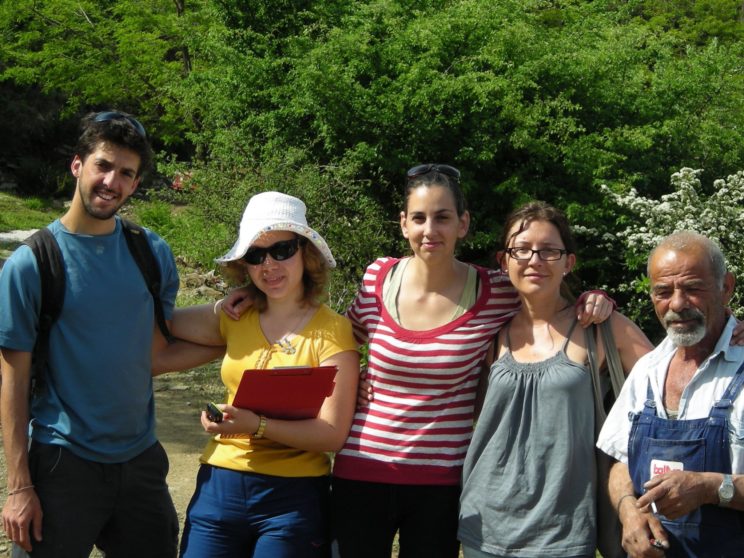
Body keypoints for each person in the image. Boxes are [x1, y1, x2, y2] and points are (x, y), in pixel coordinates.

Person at [222, 166, 614, 558]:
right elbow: (329, 340)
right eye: (419, 218)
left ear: (462, 224)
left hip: (441, 484)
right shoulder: (378, 279)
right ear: (404, 224)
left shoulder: (495, 291)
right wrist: (260, 294)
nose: (430, 230)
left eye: (442, 217)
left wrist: (594, 299)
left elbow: (545, 294)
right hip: (362, 470)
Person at [0, 111, 180, 556]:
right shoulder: (31, 264)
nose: (111, 182)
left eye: (126, 173)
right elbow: (13, 380)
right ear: (77, 165)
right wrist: (19, 486)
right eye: (103, 165)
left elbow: (155, 351)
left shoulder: (151, 253)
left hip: (140, 462)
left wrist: (235, 319)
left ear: (135, 185)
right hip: (62, 462)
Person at [152, 191, 360, 558]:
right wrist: (224, 303)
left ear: (306, 253)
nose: (269, 264)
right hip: (219, 485)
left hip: (292, 496)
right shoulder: (235, 316)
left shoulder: (332, 330)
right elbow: (159, 324)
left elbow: (332, 434)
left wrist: (256, 425)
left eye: (282, 250)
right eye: (255, 255)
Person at [457, 201, 654, 558]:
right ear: (504, 261)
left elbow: (673, 377)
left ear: (569, 262)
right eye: (521, 249)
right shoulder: (490, 329)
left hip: (562, 530)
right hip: (484, 525)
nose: (535, 260)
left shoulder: (600, 327)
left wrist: (726, 330)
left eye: (549, 251)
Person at [597, 231, 744, 557]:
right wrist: (629, 511)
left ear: (726, 287)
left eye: (692, 288)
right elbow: (622, 462)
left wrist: (710, 488)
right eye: (663, 291)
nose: (677, 304)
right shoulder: (647, 370)